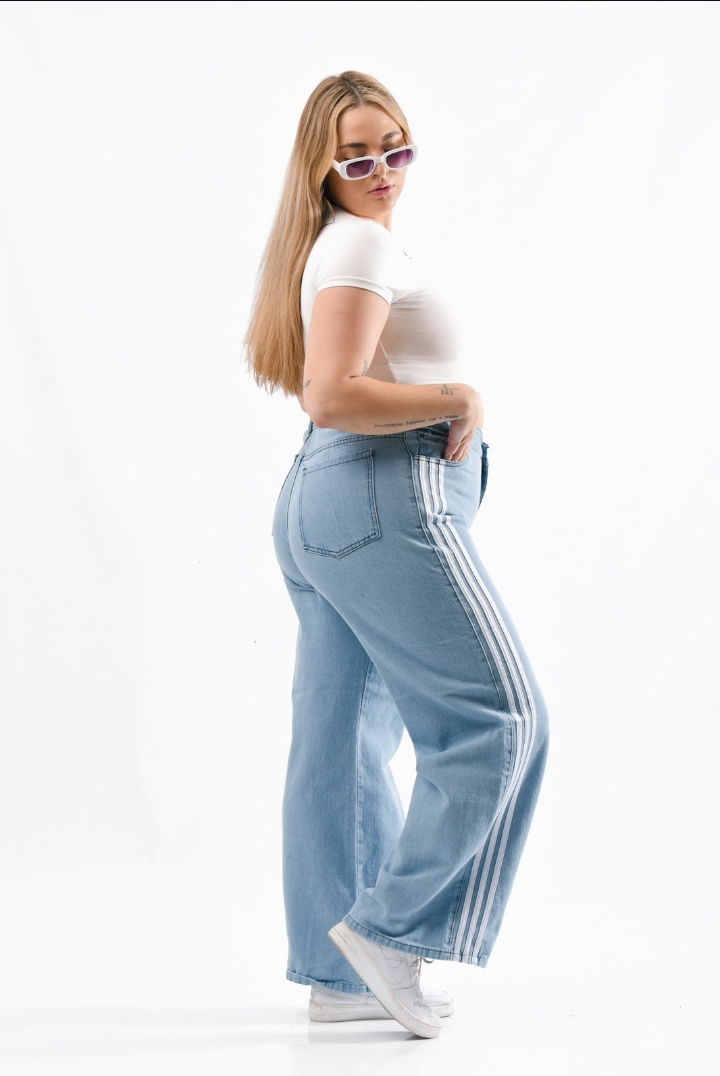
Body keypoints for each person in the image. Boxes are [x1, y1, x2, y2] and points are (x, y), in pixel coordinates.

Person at [243, 70, 550, 1039]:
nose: (382, 170)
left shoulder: (335, 244)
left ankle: (341, 977)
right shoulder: (360, 244)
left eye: (397, 148)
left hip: (328, 500)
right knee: (502, 717)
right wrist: (457, 397)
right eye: (357, 157)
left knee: (341, 736)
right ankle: (394, 930)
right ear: (322, 168)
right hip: (383, 494)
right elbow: (331, 393)